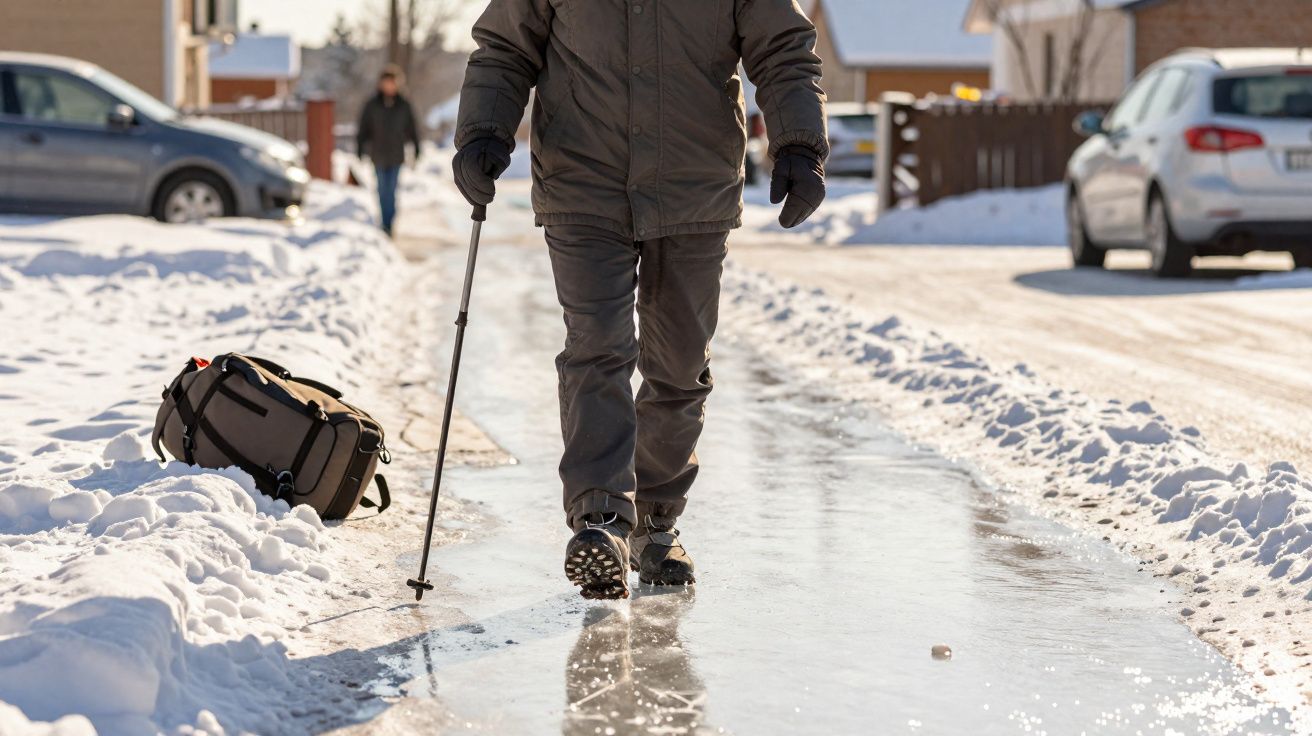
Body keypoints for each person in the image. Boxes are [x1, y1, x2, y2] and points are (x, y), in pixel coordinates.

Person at [452, 0, 827, 600]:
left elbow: (783, 48)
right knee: (597, 345)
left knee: (678, 363)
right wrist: (483, 130)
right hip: (583, 180)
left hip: (693, 184)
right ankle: (601, 516)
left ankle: (655, 523)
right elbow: (505, 47)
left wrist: (799, 144)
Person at [356, 65, 421, 236]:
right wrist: (360, 149)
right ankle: (384, 222)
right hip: (377, 155)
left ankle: (388, 224)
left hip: (396, 156)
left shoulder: (404, 105)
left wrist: (416, 149)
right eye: (386, 82)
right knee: (381, 190)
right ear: (381, 84)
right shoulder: (372, 105)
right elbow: (363, 128)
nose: (389, 86)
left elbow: (412, 129)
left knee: (391, 191)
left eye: (392, 83)